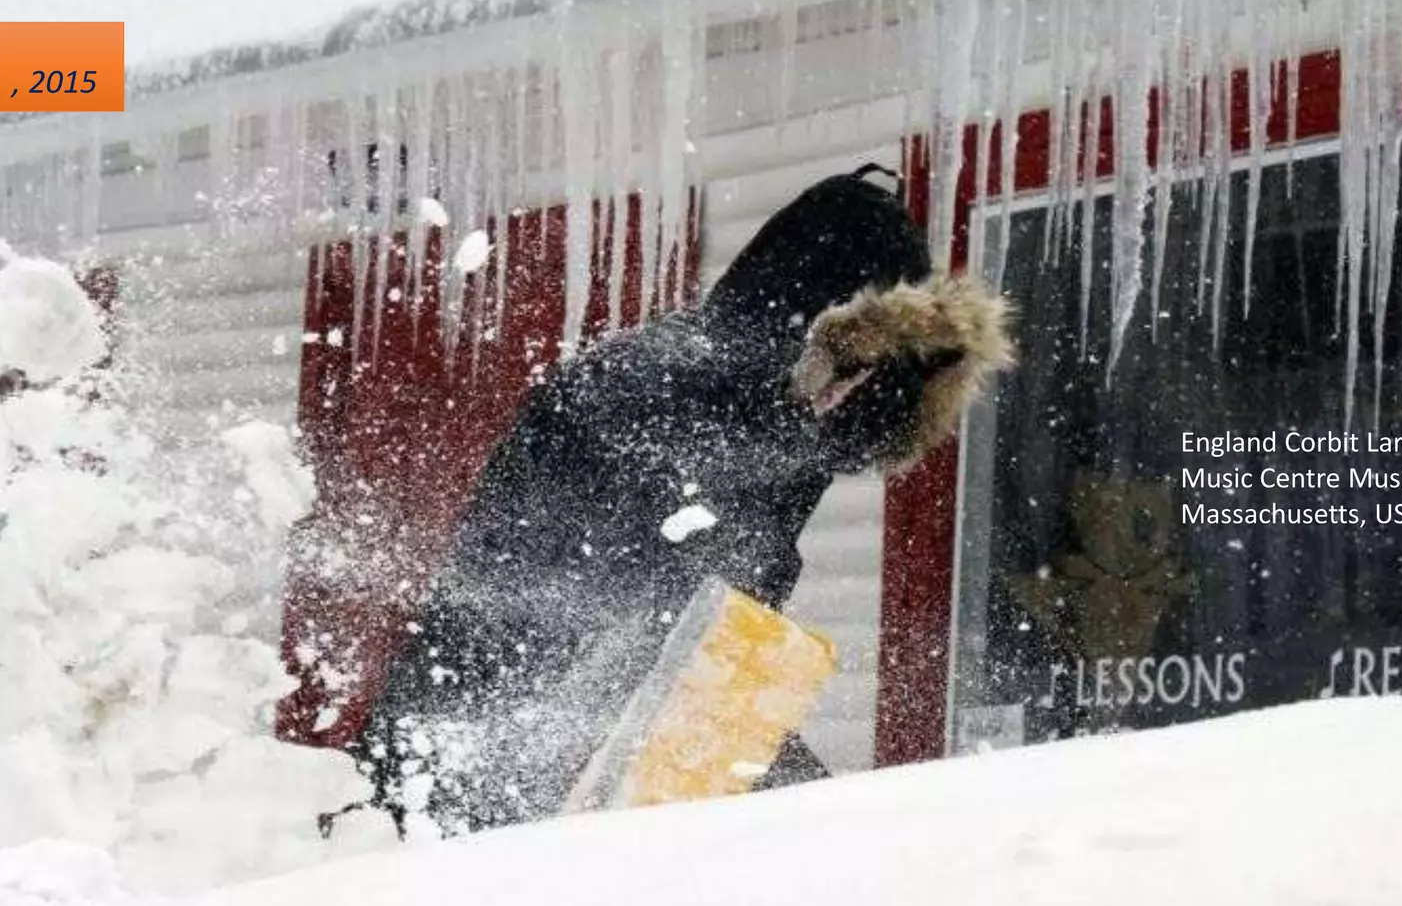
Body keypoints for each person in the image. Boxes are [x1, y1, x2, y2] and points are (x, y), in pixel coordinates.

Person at [350, 164, 1013, 835]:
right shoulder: (685, 388)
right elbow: (630, 635)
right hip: (474, 773)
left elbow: (706, 661)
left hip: (577, 776)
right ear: (835, 328)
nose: (848, 408)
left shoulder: (778, 417)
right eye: (864, 370)